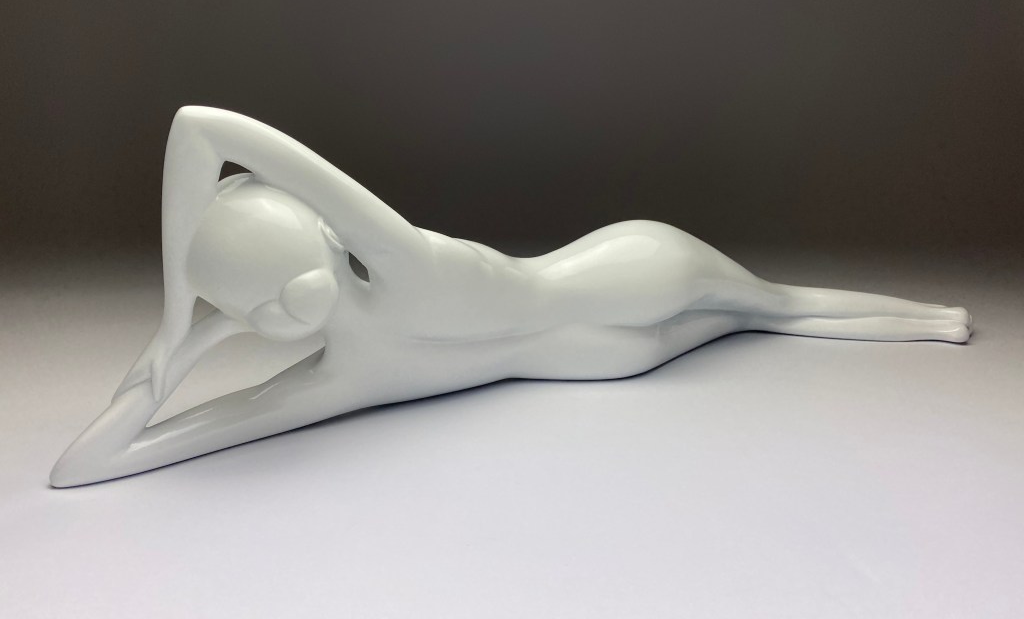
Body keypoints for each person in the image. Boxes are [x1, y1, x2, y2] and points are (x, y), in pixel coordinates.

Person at [50, 107, 972, 487]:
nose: (285, 315)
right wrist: (190, 337)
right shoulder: (344, 359)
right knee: (761, 314)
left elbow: (197, 126)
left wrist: (183, 315)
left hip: (628, 272)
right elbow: (87, 465)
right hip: (608, 359)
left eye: (284, 290)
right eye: (263, 310)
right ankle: (926, 323)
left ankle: (934, 321)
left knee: (775, 304)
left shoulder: (392, 277)